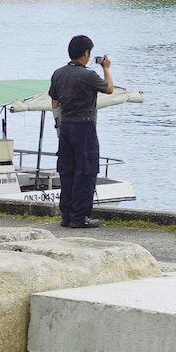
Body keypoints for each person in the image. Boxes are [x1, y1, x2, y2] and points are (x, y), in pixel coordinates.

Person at [47, 35, 114, 228]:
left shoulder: (58, 73)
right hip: (84, 127)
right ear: (86, 53)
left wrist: (60, 124)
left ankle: (66, 215)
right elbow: (109, 89)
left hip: (65, 126)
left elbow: (54, 101)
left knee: (67, 170)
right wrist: (106, 68)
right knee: (86, 170)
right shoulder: (89, 76)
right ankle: (80, 216)